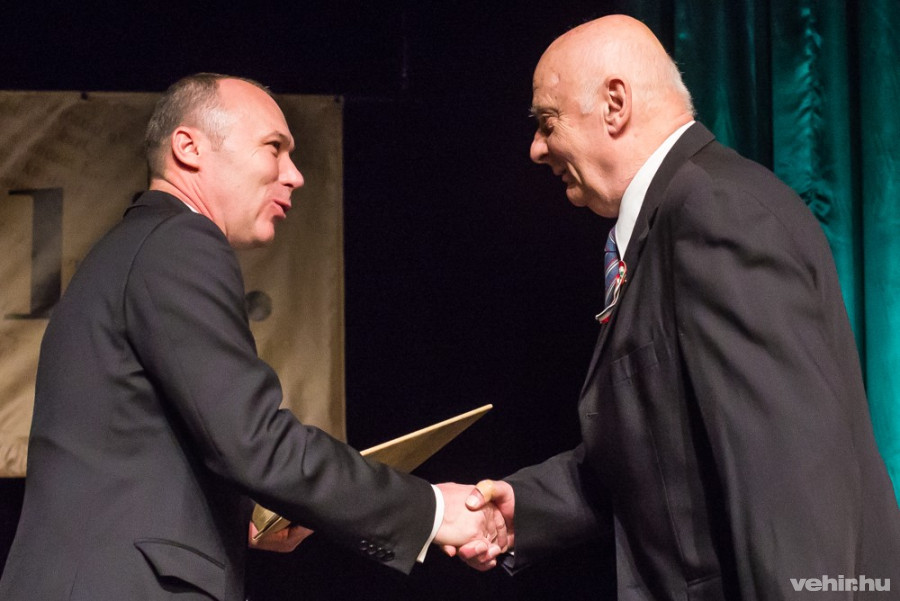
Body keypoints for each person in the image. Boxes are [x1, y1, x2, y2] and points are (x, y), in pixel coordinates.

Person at [0, 73, 505, 601]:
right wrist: (434, 511)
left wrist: (251, 509)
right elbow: (255, 441)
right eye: (274, 148)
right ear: (189, 148)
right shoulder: (179, 242)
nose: (295, 175)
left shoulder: (137, 247)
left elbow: (141, 442)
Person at [456, 14, 900, 599]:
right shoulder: (679, 213)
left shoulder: (715, 212)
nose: (537, 149)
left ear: (615, 104)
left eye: (547, 122)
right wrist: (528, 509)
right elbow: (667, 453)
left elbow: (790, 481)